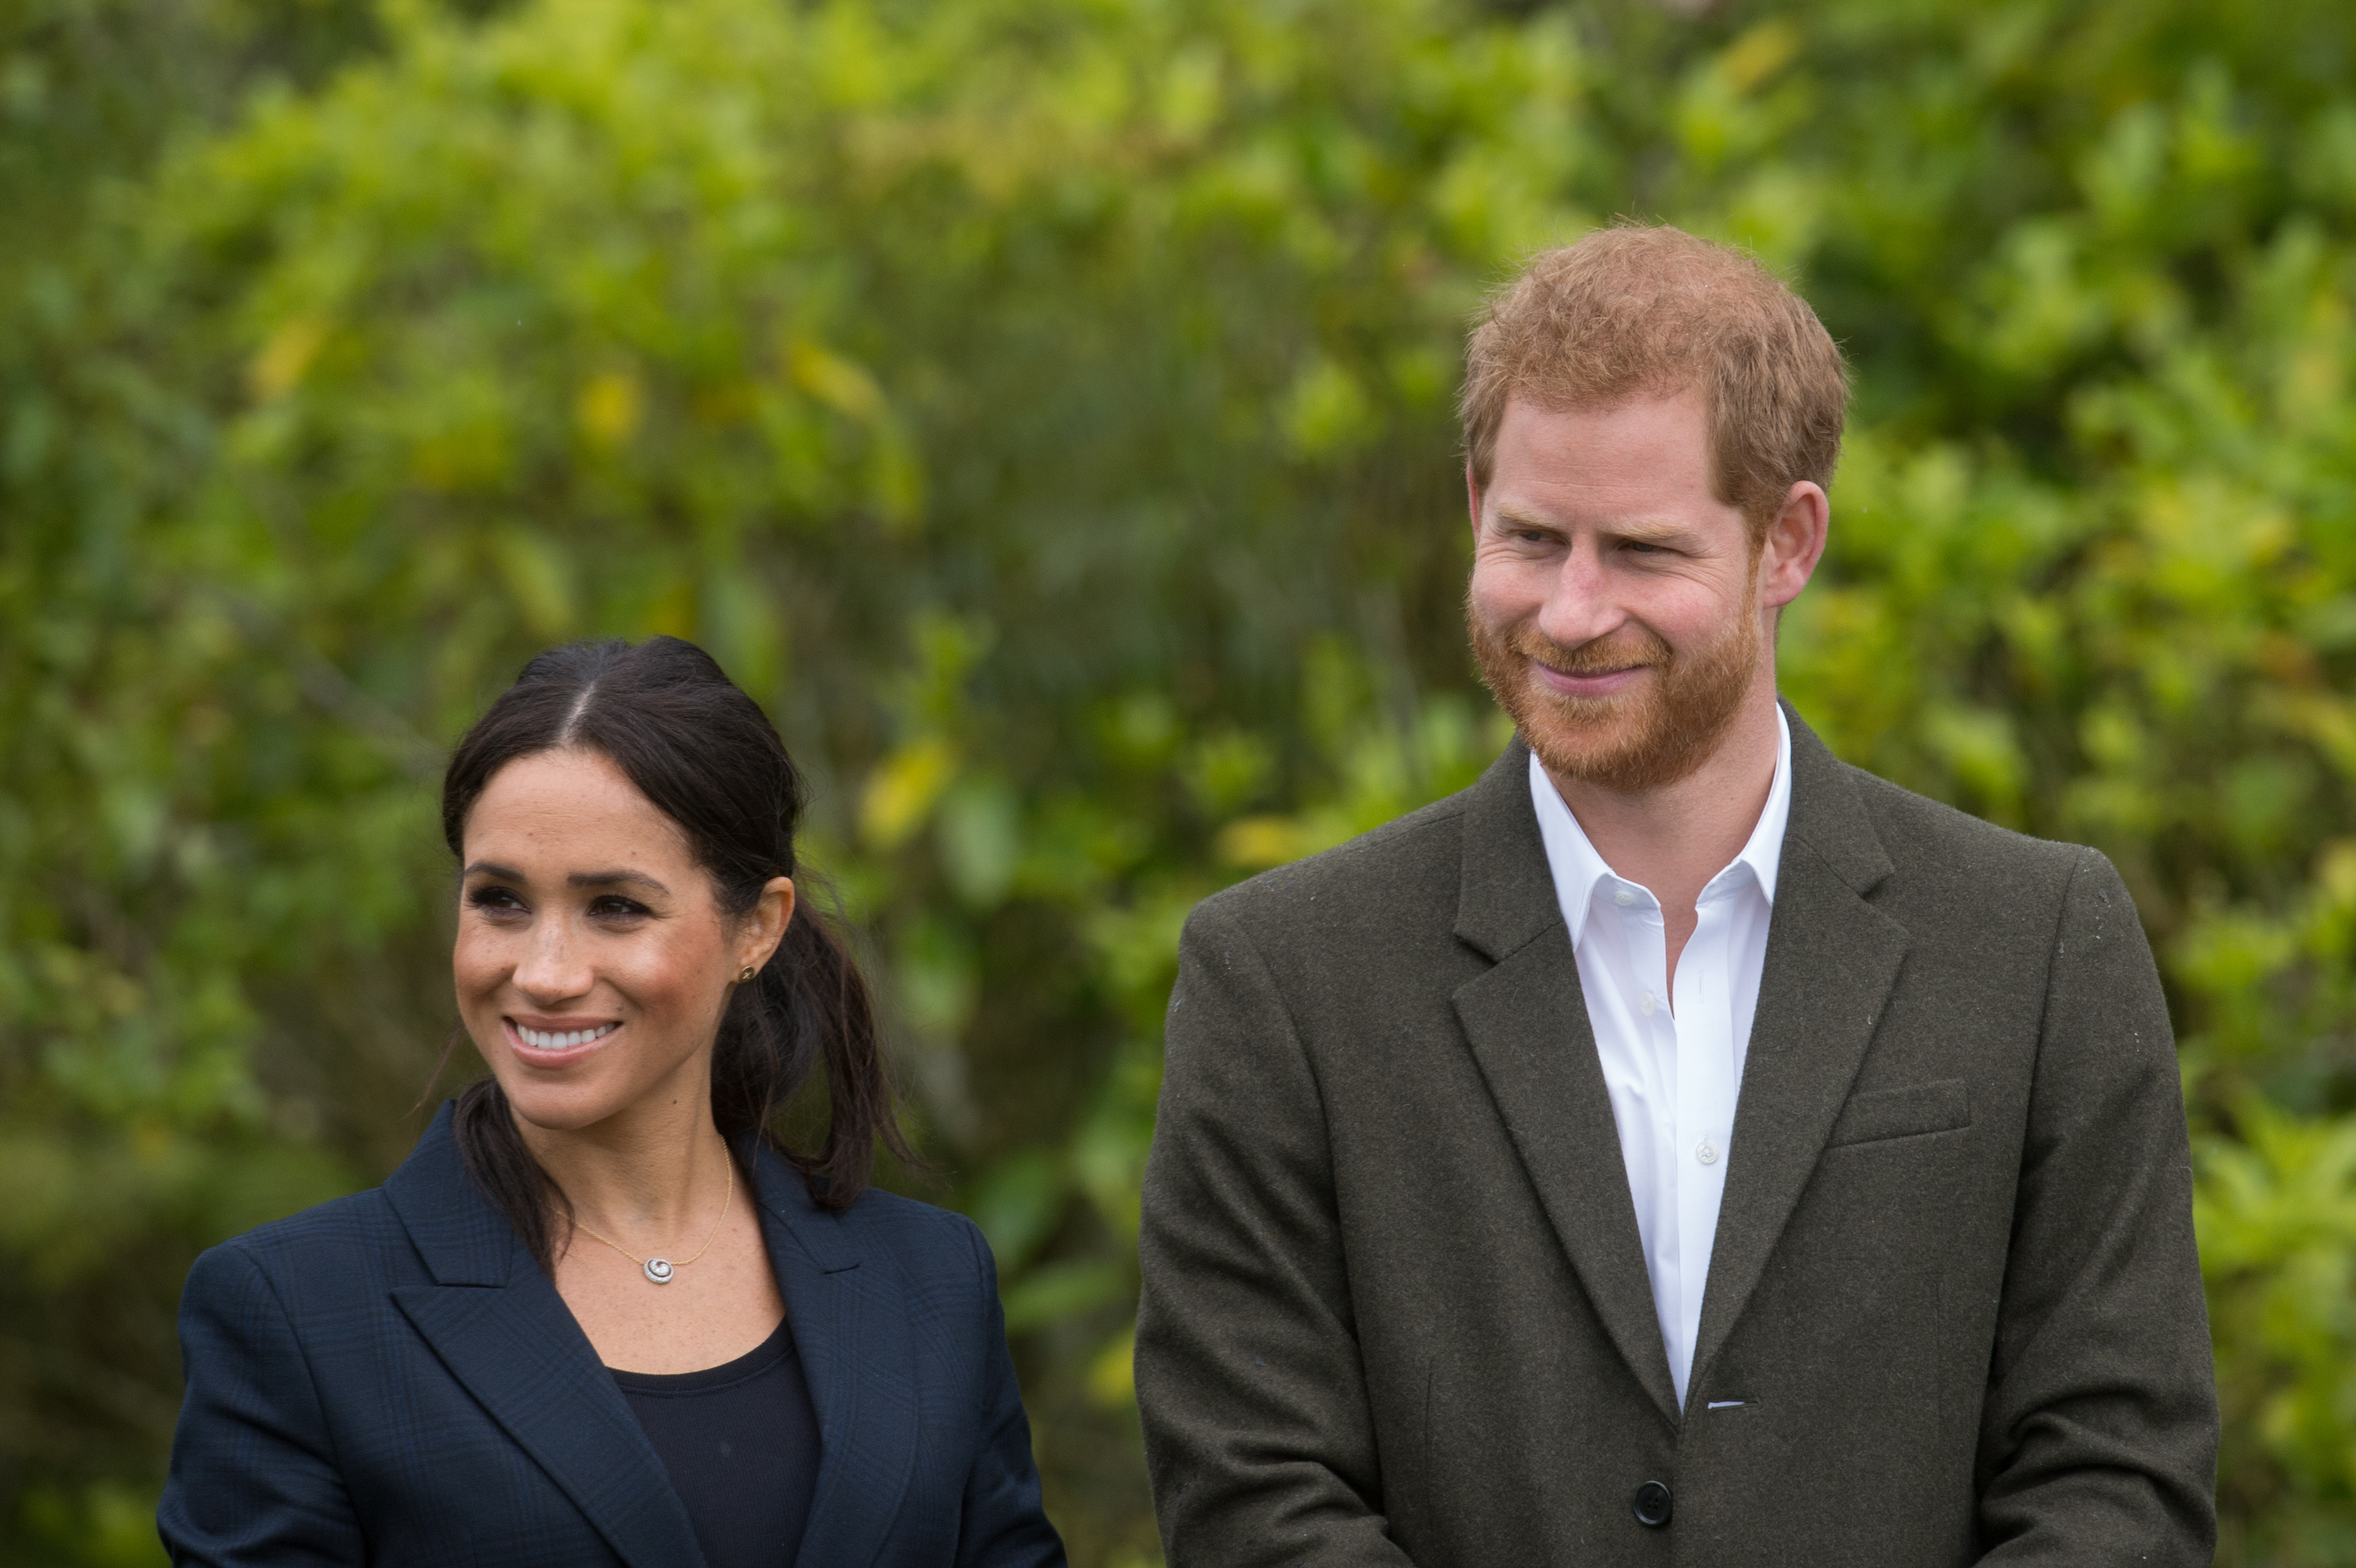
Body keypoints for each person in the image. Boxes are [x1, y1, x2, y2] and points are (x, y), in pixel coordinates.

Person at [1134, 227, 2217, 1565]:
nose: (1573, 612)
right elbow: (1251, 1495)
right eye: (1534, 536)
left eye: (1642, 551)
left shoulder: (2040, 941)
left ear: (1789, 541)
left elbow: (2121, 1474)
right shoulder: (1281, 976)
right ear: (1476, 505)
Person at [160, 637, 1066, 1568]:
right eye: (502, 902)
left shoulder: (932, 1282)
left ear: (757, 926)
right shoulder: (296, 1312)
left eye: (617, 908)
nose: (545, 973)